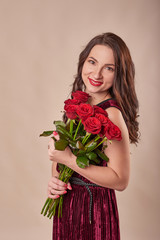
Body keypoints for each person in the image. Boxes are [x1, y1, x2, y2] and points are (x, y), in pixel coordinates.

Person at [47, 32, 139, 240]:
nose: (96, 74)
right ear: (83, 62)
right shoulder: (81, 104)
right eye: (92, 62)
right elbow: (63, 158)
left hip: (93, 211)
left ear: (119, 74)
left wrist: (69, 160)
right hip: (69, 205)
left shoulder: (111, 114)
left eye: (109, 68)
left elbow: (120, 179)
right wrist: (55, 180)